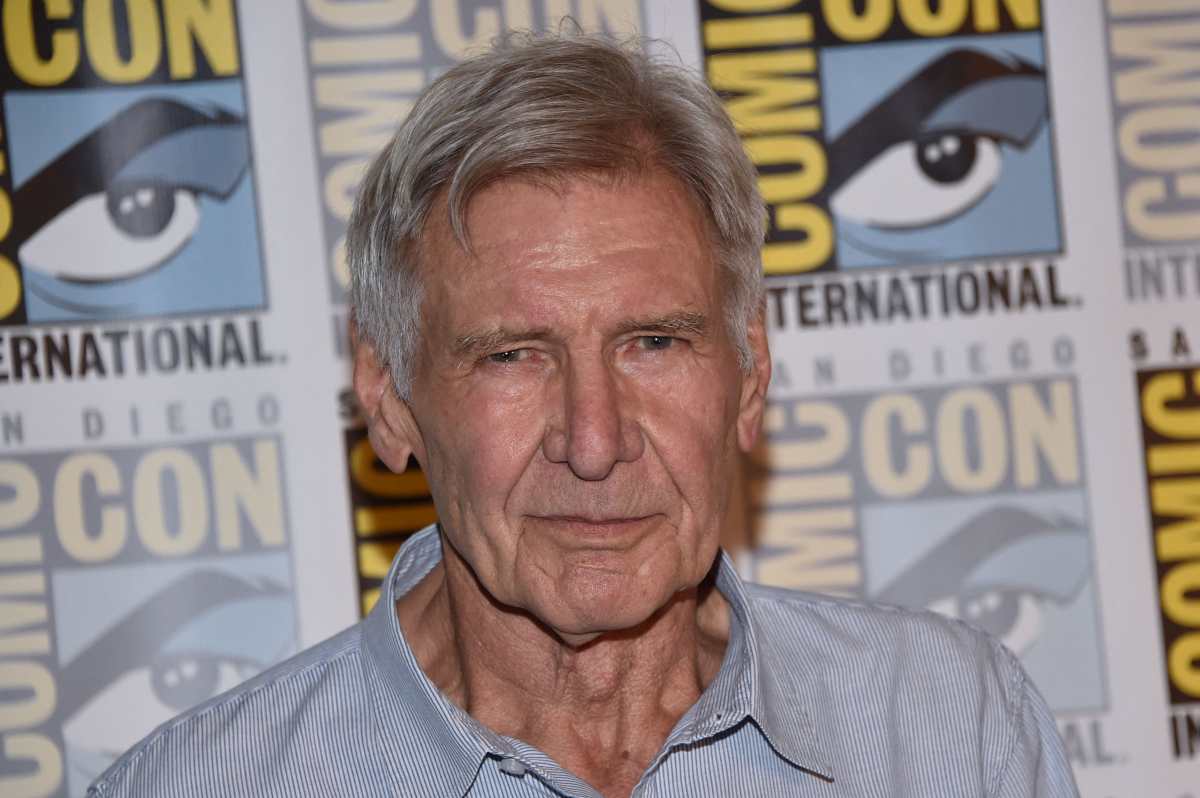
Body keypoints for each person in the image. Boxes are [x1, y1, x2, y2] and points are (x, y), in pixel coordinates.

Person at [90, 31, 1080, 798]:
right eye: (512, 356)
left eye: (654, 342)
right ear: (388, 396)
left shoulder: (953, 734)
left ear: (750, 373)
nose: (595, 443)